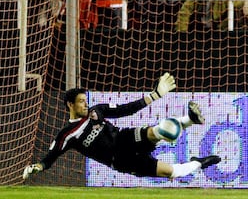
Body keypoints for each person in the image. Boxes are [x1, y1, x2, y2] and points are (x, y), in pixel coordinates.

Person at [23, 73, 221, 180]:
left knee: (160, 131)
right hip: (120, 161)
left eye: (86, 100)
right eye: (81, 101)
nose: (86, 104)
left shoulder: (97, 111)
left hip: (124, 139)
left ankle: (188, 120)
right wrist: (37, 167)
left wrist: (155, 94)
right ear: (70, 105)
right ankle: (199, 162)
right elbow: (50, 157)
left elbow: (127, 109)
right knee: (173, 172)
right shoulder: (67, 134)